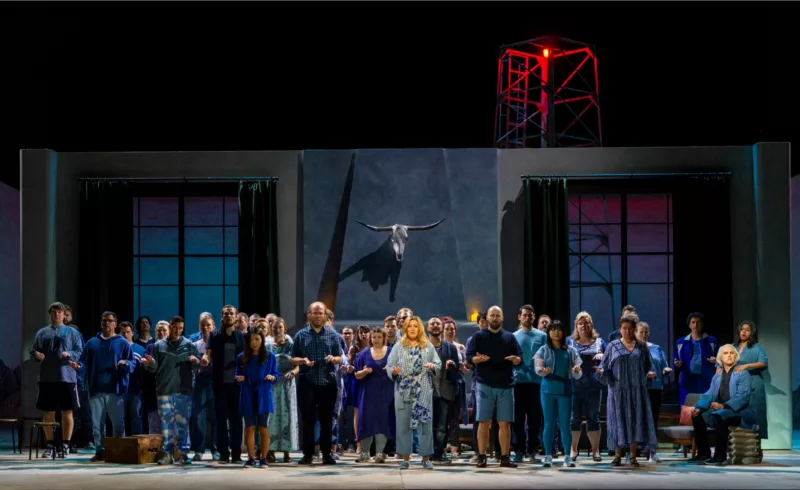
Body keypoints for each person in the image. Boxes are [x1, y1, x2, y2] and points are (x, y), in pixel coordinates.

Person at [71, 312, 134, 462]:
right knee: (97, 424)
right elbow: (84, 363)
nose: (107, 323)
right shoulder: (92, 342)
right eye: (104, 320)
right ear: (101, 323)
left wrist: (126, 364)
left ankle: (120, 450)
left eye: (110, 321)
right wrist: (78, 366)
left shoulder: (122, 342)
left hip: (115, 388)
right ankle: (100, 451)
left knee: (118, 423)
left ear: (115, 324)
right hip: (96, 388)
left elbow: (132, 362)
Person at [465, 305, 523, 469]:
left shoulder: (510, 337)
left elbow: (520, 357)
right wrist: (476, 360)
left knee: (505, 423)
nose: (495, 318)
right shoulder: (478, 336)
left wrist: (516, 360)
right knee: (484, 422)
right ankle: (482, 456)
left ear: (502, 318)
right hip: (484, 384)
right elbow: (469, 358)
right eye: (492, 315)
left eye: (498, 315)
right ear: (487, 318)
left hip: (506, 384)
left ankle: (505, 457)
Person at [142, 316, 204, 466]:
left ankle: (183, 453)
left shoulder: (189, 345)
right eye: (175, 327)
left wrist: (196, 362)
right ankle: (168, 453)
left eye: (181, 328)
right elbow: (154, 368)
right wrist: (150, 363)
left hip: (184, 390)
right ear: (170, 326)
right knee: (166, 424)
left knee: (183, 424)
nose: (178, 330)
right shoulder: (158, 346)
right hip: (164, 390)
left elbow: (197, 366)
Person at [598, 314, 658, 467]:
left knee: (635, 420)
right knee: (618, 421)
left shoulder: (641, 346)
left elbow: (648, 365)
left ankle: (632, 456)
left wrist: (650, 374)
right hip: (618, 391)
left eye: (631, 329)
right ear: (620, 329)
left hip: (637, 391)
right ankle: (617, 455)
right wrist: (601, 371)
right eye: (624, 328)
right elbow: (604, 366)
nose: (628, 331)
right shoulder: (612, 346)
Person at [29, 301, 85, 459]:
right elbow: (33, 350)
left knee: (68, 411)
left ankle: (66, 445)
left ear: (63, 314)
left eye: (59, 312)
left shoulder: (72, 332)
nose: (56, 315)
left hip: (67, 377)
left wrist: (70, 354)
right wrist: (36, 355)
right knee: (48, 412)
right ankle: (50, 445)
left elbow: (80, 350)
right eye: (53, 312)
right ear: (50, 314)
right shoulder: (42, 332)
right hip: (47, 378)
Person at [291, 301, 343, 465]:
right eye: (315, 313)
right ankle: (308, 454)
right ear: (309, 315)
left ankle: (326, 454)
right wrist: (304, 360)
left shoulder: (333, 335)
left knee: (327, 420)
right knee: (307, 419)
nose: (318, 316)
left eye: (321, 313)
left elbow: (340, 357)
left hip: (328, 382)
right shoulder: (301, 335)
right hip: (307, 382)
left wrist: (333, 359)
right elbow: (293, 358)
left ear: (325, 315)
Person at [386, 316, 440, 470]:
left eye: (415, 326)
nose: (412, 329)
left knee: (425, 425)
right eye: (410, 326)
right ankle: (405, 457)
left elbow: (437, 364)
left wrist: (432, 366)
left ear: (420, 328)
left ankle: (426, 458)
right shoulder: (399, 346)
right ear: (405, 328)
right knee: (403, 425)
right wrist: (394, 372)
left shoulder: (427, 345)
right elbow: (390, 366)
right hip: (404, 389)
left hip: (422, 388)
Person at [691, 344, 757, 465]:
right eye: (726, 353)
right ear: (720, 358)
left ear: (736, 356)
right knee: (696, 415)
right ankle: (703, 453)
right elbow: (710, 394)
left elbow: (743, 396)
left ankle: (719, 456)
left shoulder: (742, 373)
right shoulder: (717, 376)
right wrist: (699, 407)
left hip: (740, 412)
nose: (729, 355)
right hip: (722, 411)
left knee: (719, 415)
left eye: (732, 353)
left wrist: (723, 406)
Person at [534, 320, 582, 468]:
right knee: (549, 424)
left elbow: (578, 370)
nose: (556, 332)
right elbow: (538, 369)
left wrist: (576, 370)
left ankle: (567, 456)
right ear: (548, 332)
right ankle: (548, 455)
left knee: (565, 424)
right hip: (547, 391)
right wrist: (543, 371)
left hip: (565, 391)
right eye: (553, 330)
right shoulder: (543, 350)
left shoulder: (571, 351)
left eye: (559, 330)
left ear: (563, 333)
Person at [205, 305, 246, 464]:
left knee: (236, 420)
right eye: (226, 314)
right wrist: (204, 360)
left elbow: (246, 359)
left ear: (236, 316)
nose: (228, 316)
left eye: (231, 313)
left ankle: (236, 453)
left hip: (236, 385)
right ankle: (223, 453)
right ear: (222, 316)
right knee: (221, 420)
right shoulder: (214, 335)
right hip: (219, 384)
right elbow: (208, 354)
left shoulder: (241, 336)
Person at [565, 312, 606, 462]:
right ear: (576, 326)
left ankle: (596, 451)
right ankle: (573, 449)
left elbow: (608, 361)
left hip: (594, 386)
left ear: (591, 325)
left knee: (593, 418)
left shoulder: (600, 342)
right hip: (574, 387)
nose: (584, 326)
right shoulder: (569, 342)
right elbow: (563, 360)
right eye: (580, 323)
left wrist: (602, 359)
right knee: (573, 418)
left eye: (587, 323)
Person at [236, 327, 279, 468]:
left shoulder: (270, 356)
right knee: (249, 427)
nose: (254, 342)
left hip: (263, 394)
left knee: (263, 427)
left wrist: (273, 377)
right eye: (251, 340)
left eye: (257, 339)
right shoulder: (241, 357)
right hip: (247, 394)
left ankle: (264, 458)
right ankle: (250, 458)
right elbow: (236, 376)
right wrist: (238, 378)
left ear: (262, 340)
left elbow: (276, 374)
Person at [354, 327, 395, 463]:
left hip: (385, 392)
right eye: (374, 337)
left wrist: (392, 370)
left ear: (384, 338)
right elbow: (356, 374)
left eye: (379, 337)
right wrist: (364, 372)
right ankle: (365, 452)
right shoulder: (364, 353)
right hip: (368, 393)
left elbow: (397, 371)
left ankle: (379, 453)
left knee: (382, 422)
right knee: (366, 421)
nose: (376, 340)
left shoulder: (391, 352)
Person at [512, 304, 547, 463]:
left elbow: (548, 355)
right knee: (518, 419)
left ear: (534, 317)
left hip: (536, 383)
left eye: (530, 315)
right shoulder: (513, 336)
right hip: (518, 383)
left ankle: (533, 450)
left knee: (535, 419)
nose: (527, 318)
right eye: (524, 315)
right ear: (519, 317)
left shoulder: (542, 336)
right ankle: (518, 450)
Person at [635, 321, 671, 463]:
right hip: (639, 389)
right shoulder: (633, 349)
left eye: (646, 332)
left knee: (653, 420)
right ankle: (635, 451)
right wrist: (644, 375)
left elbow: (664, 366)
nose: (644, 335)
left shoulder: (656, 348)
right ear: (636, 333)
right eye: (641, 332)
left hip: (655, 388)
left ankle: (652, 451)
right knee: (639, 420)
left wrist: (665, 371)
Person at [267, 318, 300, 463]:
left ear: (285, 329)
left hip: (287, 384)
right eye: (274, 328)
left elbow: (297, 364)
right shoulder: (268, 346)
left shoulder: (290, 344)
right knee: (272, 417)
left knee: (288, 416)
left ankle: (287, 452)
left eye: (280, 327)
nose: (277, 330)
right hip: (273, 384)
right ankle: (270, 450)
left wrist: (293, 372)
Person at [733, 321, 769, 439]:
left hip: (754, 383)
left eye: (747, 330)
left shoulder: (757, 347)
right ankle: (738, 447)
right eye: (742, 329)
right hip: (737, 385)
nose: (744, 332)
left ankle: (756, 448)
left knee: (756, 415)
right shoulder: (733, 347)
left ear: (752, 333)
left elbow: (763, 363)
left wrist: (746, 366)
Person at [674, 312, 718, 405]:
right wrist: (678, 364)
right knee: (687, 409)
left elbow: (720, 359)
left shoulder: (711, 341)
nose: (696, 325)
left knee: (705, 408)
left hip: (706, 381)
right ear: (689, 325)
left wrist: (716, 361)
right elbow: (676, 360)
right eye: (693, 322)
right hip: (687, 381)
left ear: (702, 324)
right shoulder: (681, 342)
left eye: (698, 322)